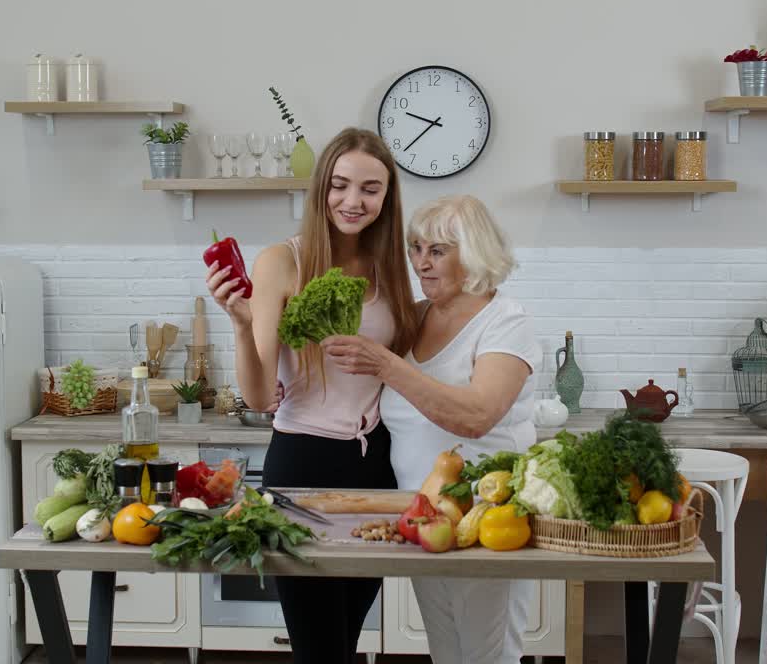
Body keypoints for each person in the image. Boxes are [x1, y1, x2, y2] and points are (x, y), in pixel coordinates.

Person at [205, 127, 418, 663]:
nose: (353, 201)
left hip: (377, 468)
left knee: (346, 637)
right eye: (340, 185)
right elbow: (259, 396)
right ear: (322, 187)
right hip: (303, 465)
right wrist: (240, 324)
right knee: (318, 648)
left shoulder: (392, 268)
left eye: (370, 189)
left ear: (387, 197)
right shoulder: (282, 261)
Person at [323, 194, 540, 664]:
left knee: (489, 656)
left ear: (475, 253)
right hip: (425, 518)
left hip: (488, 520)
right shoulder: (417, 316)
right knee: (446, 652)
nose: (421, 262)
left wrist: (387, 364)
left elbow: (477, 416)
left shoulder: (505, 321)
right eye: (416, 248)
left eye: (437, 251)